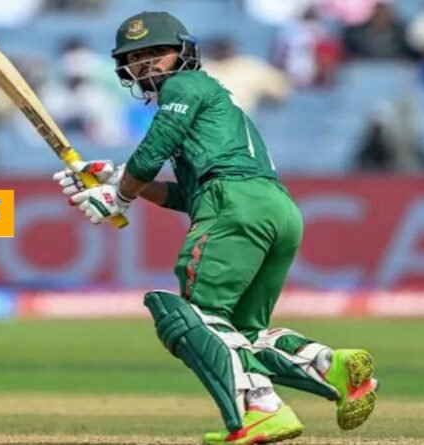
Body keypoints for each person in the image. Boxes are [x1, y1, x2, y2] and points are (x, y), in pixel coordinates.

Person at [52, 11, 378, 445]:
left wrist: (121, 194)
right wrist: (118, 178)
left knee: (193, 318)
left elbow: (154, 149)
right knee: (241, 333)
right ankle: (329, 365)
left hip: (235, 204)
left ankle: (261, 410)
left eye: (157, 52)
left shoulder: (184, 85)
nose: (146, 64)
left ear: (183, 53)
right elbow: (187, 196)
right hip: (274, 208)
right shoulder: (212, 104)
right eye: (134, 57)